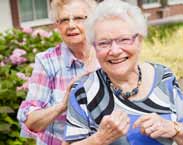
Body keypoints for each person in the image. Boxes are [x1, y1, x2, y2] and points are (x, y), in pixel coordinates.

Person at [64, 0, 183, 145]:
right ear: (94, 47)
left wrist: (174, 128)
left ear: (139, 41)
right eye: (104, 43)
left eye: (124, 40)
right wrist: (99, 139)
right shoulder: (83, 91)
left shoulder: (164, 77)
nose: (114, 51)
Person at [17, 0, 98, 145]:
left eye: (79, 18)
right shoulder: (47, 61)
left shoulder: (108, 54)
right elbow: (30, 121)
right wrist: (62, 105)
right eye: (64, 20)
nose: (71, 25)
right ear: (57, 26)